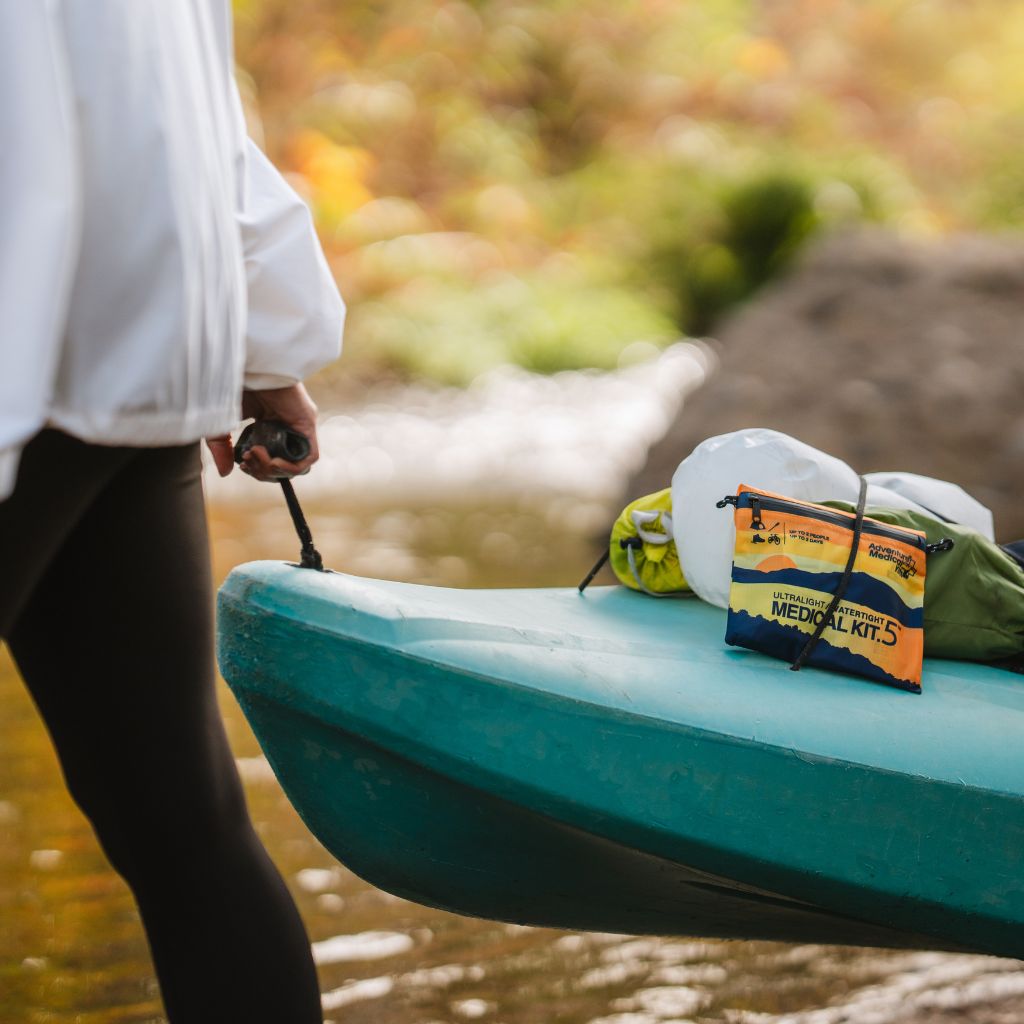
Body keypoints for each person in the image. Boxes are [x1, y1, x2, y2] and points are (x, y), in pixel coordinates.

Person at [1, 3, 344, 1021]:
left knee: (180, 822)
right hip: (147, 319)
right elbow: (196, 95)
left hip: (24, 325)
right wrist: (267, 338)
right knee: (183, 827)